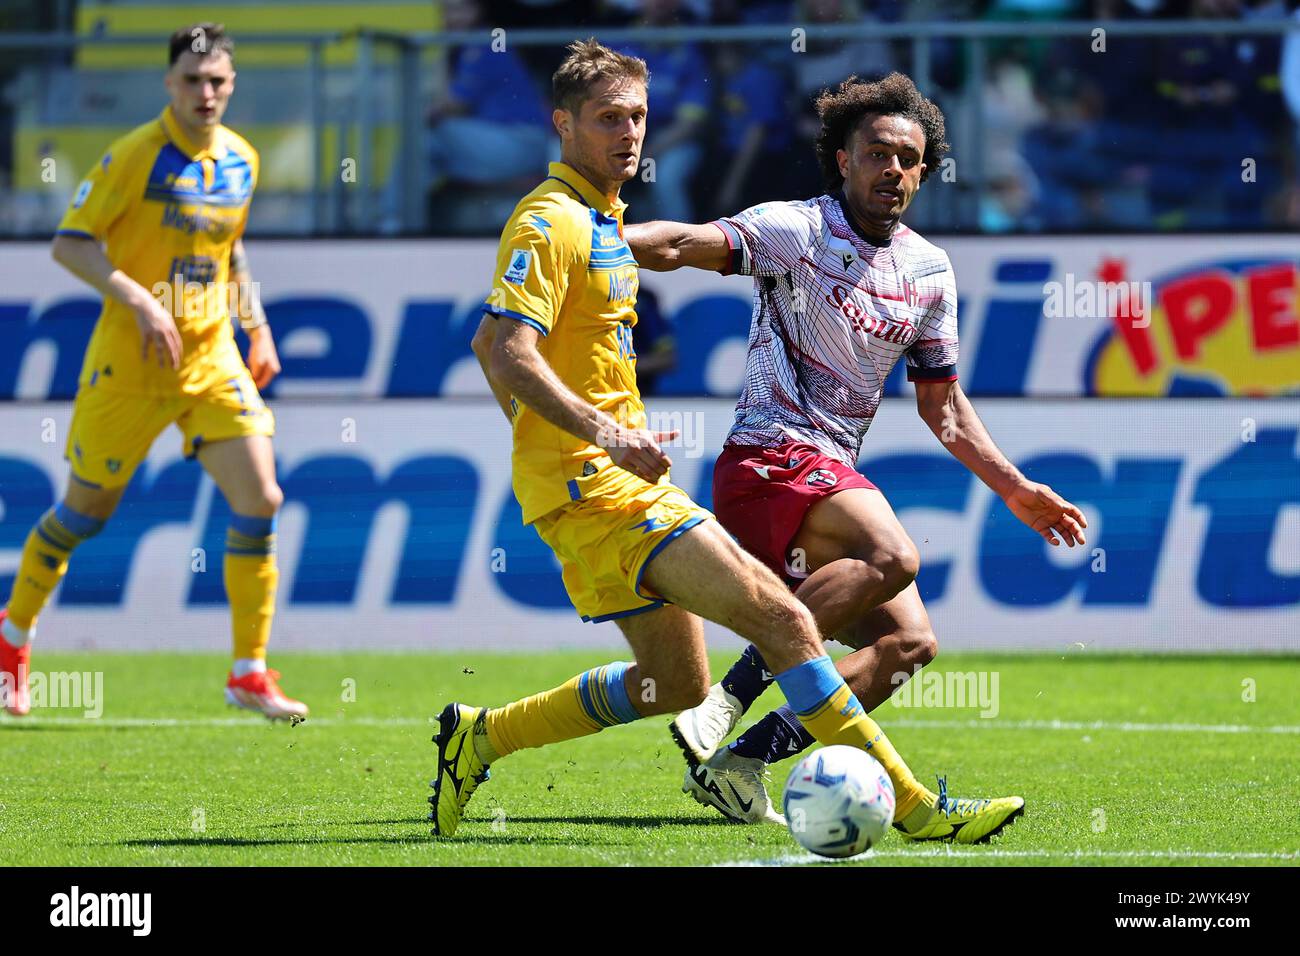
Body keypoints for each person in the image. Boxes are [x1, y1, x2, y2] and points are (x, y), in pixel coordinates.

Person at [432, 42, 1016, 842]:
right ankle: (914, 808)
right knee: (782, 619)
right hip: (607, 485)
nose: (629, 133)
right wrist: (593, 436)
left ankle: (482, 735)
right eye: (609, 118)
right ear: (561, 123)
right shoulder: (552, 219)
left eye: (638, 116)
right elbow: (505, 347)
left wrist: (559, 442)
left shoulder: (597, 219)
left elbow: (485, 346)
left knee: (671, 682)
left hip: (592, 485)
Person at [627, 72, 1087, 841]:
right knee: (895, 553)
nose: (893, 172)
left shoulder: (930, 272)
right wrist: (596, 239)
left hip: (826, 478)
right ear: (842, 160)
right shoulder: (797, 231)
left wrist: (1014, 489)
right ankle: (726, 699)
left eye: (909, 160)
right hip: (766, 459)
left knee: (909, 646)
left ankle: (740, 760)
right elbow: (681, 244)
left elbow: (942, 404)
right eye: (876, 154)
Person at [0, 23, 306, 721]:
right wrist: (139, 301)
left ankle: (248, 672)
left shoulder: (241, 161)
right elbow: (71, 245)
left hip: (209, 356)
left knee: (262, 496)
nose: (206, 92)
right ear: (169, 84)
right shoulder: (134, 156)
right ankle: (12, 633)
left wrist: (254, 323)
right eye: (193, 80)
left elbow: (230, 254)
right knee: (84, 514)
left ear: (231, 86)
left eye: (218, 81)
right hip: (130, 365)